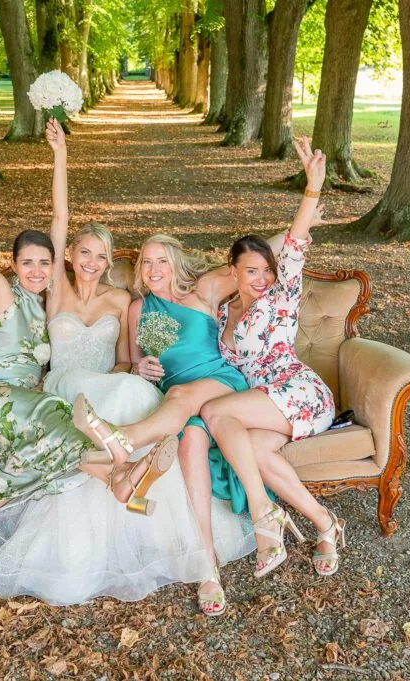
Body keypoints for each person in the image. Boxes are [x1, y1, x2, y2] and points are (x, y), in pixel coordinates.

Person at [0, 120, 252, 604]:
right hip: (67, 387)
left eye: (101, 255)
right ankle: (124, 468)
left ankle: (129, 469)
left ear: (109, 263)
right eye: (84, 252)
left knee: (128, 390)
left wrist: (141, 368)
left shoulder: (125, 300)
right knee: (97, 399)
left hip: (109, 386)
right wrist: (59, 155)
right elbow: (58, 218)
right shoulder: (57, 289)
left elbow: (129, 360)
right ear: (71, 256)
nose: (91, 261)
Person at [0, 143, 176, 584]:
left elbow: (61, 225)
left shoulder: (48, 301)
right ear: (13, 264)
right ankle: (118, 471)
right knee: (60, 413)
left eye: (44, 263)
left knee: (48, 445)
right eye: (27, 262)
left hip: (22, 402)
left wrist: (62, 153)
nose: (36, 270)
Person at [70, 232, 257, 615]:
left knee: (178, 399)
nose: (153, 270)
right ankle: (207, 566)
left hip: (218, 385)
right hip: (178, 404)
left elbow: (256, 257)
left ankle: (125, 440)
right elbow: (132, 363)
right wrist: (141, 368)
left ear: (177, 263)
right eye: (146, 262)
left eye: (162, 261)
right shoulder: (139, 309)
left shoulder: (203, 290)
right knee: (188, 441)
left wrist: (310, 197)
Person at [201, 136, 345, 577]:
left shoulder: (281, 296)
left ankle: (265, 517)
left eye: (267, 268)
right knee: (255, 453)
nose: (262, 277)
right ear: (233, 272)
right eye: (251, 270)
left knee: (215, 411)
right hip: (265, 402)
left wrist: (312, 189)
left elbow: (297, 241)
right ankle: (325, 523)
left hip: (299, 392)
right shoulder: (222, 310)